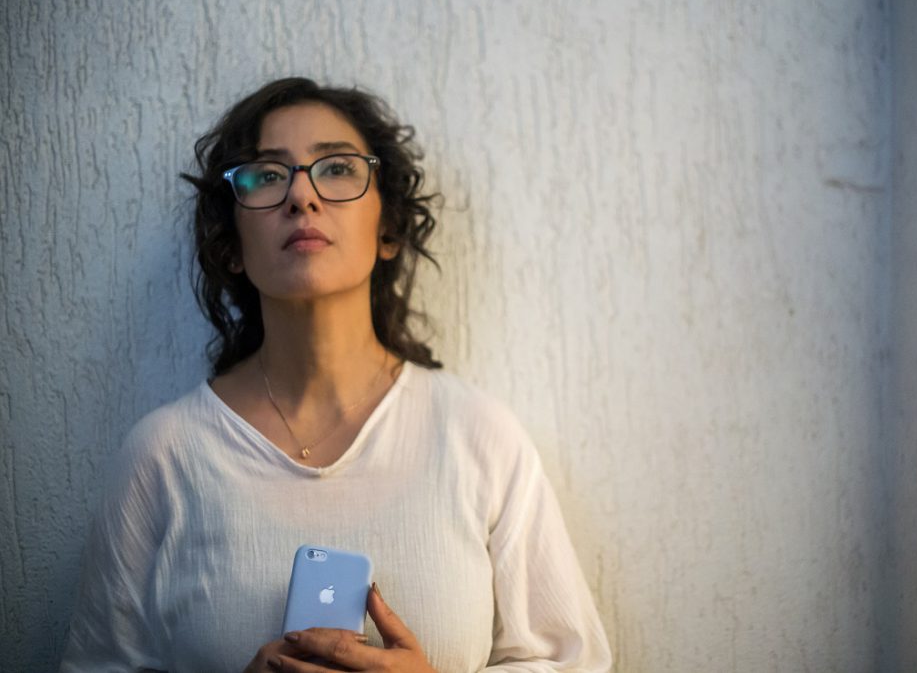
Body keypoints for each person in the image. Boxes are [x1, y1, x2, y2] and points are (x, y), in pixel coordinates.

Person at [59, 77, 611, 672]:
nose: (302, 195)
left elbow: (572, 660)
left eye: (338, 168)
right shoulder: (164, 455)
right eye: (267, 176)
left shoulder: (478, 436)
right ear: (231, 246)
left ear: (388, 229)